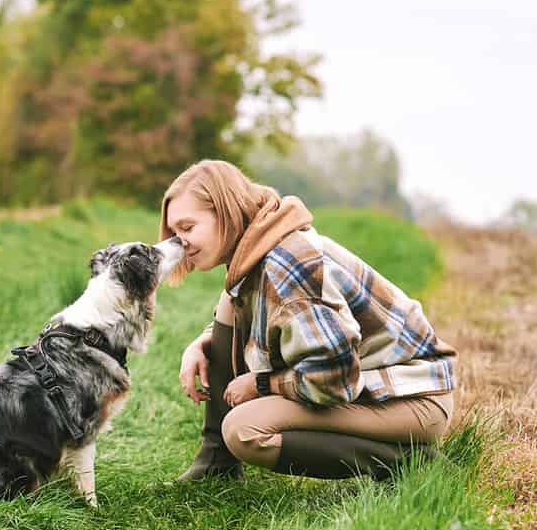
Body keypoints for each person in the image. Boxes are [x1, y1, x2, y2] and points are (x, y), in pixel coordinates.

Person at [160, 160, 457, 481]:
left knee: (246, 430)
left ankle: (412, 464)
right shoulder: (256, 255)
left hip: (408, 399)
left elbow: (335, 380)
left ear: (227, 211)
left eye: (188, 228)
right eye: (174, 232)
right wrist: (203, 343)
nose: (180, 243)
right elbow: (261, 316)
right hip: (371, 388)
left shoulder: (288, 267)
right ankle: (216, 464)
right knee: (228, 301)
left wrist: (262, 385)